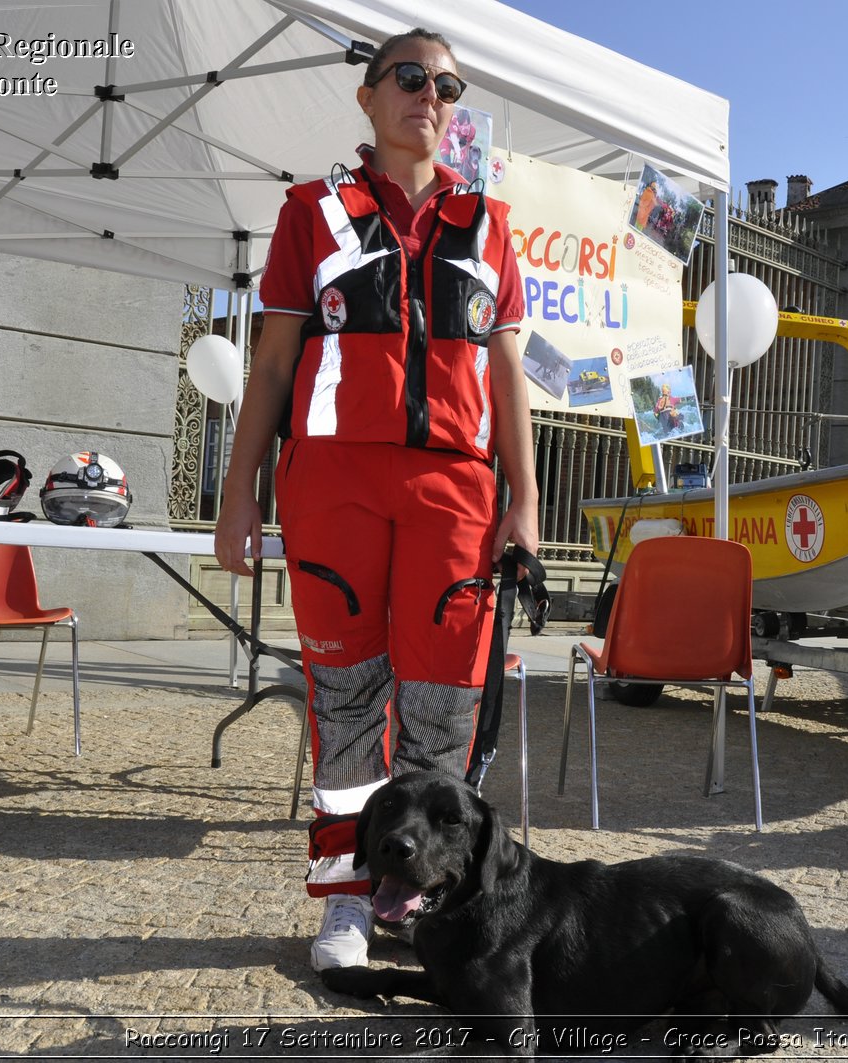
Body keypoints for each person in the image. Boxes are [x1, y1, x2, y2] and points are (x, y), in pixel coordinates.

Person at [212, 27, 538, 973]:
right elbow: (272, 362)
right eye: (408, 77)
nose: (426, 96)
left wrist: (526, 501)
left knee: (441, 715)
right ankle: (348, 904)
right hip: (332, 488)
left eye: (446, 84)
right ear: (367, 96)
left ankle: (432, 904)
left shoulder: (493, 225)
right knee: (348, 703)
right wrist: (239, 496)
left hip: (456, 494)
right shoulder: (310, 211)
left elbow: (509, 376)